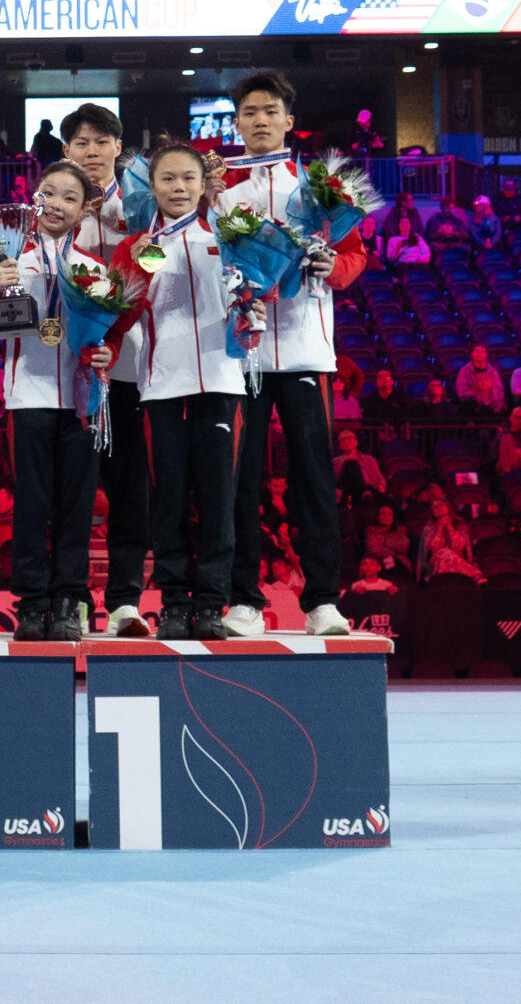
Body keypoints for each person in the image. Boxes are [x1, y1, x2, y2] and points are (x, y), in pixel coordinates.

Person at [219, 72, 364, 638]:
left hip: (306, 352)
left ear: (288, 120)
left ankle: (323, 601)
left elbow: (354, 255)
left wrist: (333, 266)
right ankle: (244, 601)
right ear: (236, 123)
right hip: (243, 357)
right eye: (249, 112)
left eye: (269, 110)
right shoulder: (221, 192)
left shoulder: (320, 187)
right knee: (241, 481)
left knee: (314, 480)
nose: (260, 120)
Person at [0, 162, 109, 640]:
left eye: (70, 197)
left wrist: (106, 352)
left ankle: (69, 601)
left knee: (76, 506)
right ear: (33, 200)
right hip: (27, 397)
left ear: (84, 211)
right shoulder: (10, 259)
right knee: (30, 503)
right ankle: (30, 603)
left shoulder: (94, 270)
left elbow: (109, 335)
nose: (57, 204)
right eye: (48, 193)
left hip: (83, 402)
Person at [116, 141, 247, 639]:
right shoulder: (135, 247)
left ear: (203, 184)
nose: (178, 187)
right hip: (162, 389)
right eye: (167, 179)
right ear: (152, 187)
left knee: (218, 502)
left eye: (188, 178)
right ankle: (173, 603)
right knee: (168, 501)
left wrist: (254, 306)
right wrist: (135, 277)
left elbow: (259, 291)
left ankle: (211, 604)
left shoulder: (229, 238)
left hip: (221, 383)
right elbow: (120, 317)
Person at [61, 103, 153, 636]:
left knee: (129, 490)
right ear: (66, 151)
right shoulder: (52, 209)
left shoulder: (142, 208)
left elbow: (157, 277)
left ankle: (124, 601)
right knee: (73, 492)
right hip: (70, 374)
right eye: (81, 142)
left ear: (119, 148)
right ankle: (71, 597)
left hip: (130, 372)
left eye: (101, 142)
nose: (92, 151)